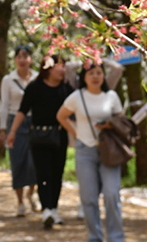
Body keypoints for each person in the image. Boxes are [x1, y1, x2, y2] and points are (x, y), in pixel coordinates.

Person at [57, 59, 124, 242]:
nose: (95, 77)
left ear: (104, 75)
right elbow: (61, 116)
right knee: (89, 197)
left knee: (111, 194)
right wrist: (76, 132)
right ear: (84, 77)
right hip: (84, 151)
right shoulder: (77, 96)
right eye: (91, 73)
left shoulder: (111, 96)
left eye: (99, 72)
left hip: (108, 151)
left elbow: (122, 122)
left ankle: (116, 237)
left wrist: (109, 125)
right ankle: (94, 237)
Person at [8, 54, 73, 228]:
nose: (62, 70)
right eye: (58, 66)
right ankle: (46, 210)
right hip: (39, 137)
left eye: (64, 66)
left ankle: (54, 209)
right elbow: (22, 111)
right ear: (47, 68)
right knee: (43, 173)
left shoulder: (66, 89)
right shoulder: (34, 87)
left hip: (60, 137)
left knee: (57, 174)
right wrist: (12, 131)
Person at [0, 44, 39, 216]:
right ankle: (20, 202)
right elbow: (4, 105)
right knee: (18, 162)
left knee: (34, 162)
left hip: (35, 122)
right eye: (19, 56)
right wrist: (3, 130)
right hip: (14, 121)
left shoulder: (38, 77)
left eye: (26, 56)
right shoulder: (8, 80)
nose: (22, 60)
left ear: (31, 58)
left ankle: (32, 194)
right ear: (15, 59)